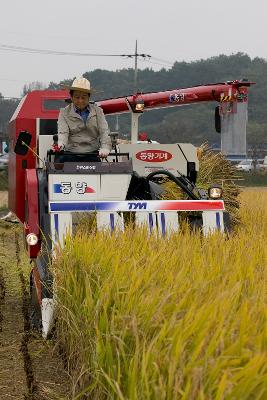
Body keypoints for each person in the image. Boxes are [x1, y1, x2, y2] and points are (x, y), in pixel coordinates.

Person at [54, 77, 112, 162]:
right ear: (71, 97)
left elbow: (104, 131)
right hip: (71, 153)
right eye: (77, 97)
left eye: (84, 97)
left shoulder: (98, 111)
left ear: (89, 97)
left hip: (92, 153)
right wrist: (61, 145)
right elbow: (63, 132)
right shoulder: (64, 113)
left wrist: (105, 148)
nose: (80, 101)